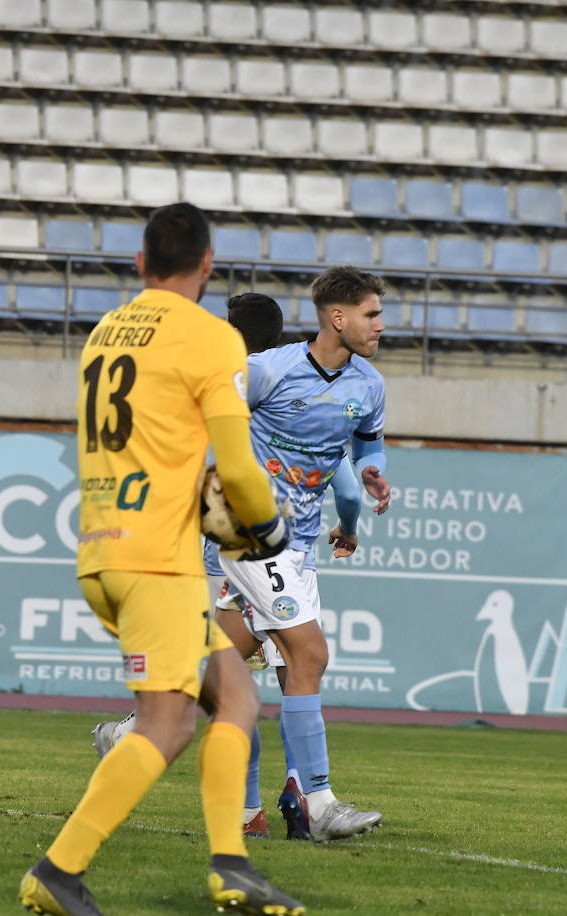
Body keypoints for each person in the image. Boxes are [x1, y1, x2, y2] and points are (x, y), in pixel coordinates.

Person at [19, 203, 304, 916]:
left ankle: (232, 866)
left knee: (237, 698)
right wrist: (267, 529)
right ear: (207, 266)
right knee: (169, 724)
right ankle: (57, 869)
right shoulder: (212, 340)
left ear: (140, 264)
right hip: (159, 559)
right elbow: (236, 468)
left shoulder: (105, 330)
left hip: (102, 551)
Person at [90, 292, 368, 842]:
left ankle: (268, 804)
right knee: (295, 666)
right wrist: (349, 526)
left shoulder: (234, 389)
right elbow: (346, 484)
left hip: (225, 551)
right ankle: (304, 798)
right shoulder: (300, 394)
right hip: (259, 550)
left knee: (248, 678)